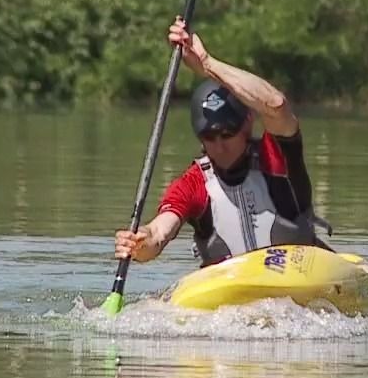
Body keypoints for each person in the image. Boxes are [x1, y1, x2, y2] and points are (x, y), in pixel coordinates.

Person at [114, 17, 330, 267]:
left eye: (227, 134)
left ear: (248, 122)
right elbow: (160, 231)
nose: (219, 146)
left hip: (299, 282)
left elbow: (276, 105)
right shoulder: (193, 183)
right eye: (209, 137)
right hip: (230, 296)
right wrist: (142, 244)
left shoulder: (278, 157)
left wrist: (207, 64)